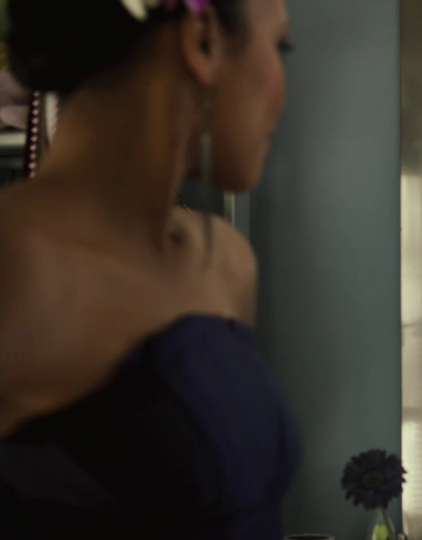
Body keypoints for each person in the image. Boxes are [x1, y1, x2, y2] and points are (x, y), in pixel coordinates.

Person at [0, 0, 298, 537]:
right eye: (280, 46)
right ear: (203, 40)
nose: (283, 91)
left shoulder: (226, 266)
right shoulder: (16, 269)